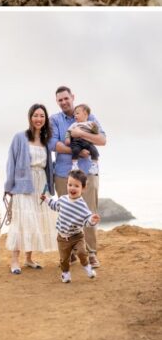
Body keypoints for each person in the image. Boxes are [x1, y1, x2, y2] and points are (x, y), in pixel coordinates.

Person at [49, 86, 106, 267]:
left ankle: (91, 254)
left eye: (66, 98)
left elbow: (102, 140)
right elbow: (53, 144)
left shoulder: (89, 116)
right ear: (57, 102)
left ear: (73, 97)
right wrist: (77, 151)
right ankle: (71, 252)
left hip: (87, 172)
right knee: (66, 213)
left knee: (89, 211)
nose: (64, 102)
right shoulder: (55, 120)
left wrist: (80, 134)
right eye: (60, 100)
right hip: (63, 173)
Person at [4, 103, 56, 274]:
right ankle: (14, 261)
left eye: (42, 116)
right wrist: (8, 186)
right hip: (23, 184)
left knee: (35, 222)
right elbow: (11, 162)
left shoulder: (46, 141)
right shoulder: (19, 137)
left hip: (41, 185)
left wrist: (50, 186)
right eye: (36, 115)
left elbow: (48, 166)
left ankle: (28, 259)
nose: (39, 119)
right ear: (30, 117)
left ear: (45, 119)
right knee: (23, 221)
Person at [41, 170, 100, 283]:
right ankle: (66, 274)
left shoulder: (81, 205)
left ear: (83, 188)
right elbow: (55, 206)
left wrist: (92, 220)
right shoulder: (63, 199)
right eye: (70, 184)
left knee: (82, 252)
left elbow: (86, 220)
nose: (72, 188)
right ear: (67, 184)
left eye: (76, 186)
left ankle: (87, 267)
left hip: (77, 236)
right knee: (64, 259)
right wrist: (46, 199)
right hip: (62, 238)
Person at [65, 103, 101, 170]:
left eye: (77, 113)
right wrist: (67, 138)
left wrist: (95, 127)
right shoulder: (75, 124)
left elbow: (96, 133)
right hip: (77, 142)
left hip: (87, 142)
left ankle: (94, 165)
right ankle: (74, 165)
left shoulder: (90, 123)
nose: (75, 115)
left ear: (85, 114)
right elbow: (68, 131)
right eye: (74, 114)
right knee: (75, 150)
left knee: (94, 150)